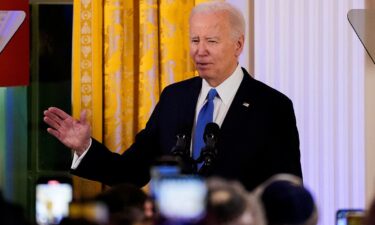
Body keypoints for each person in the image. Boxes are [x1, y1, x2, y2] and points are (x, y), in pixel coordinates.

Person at [43, 1, 302, 191]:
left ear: (238, 44)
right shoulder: (174, 98)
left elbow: (287, 195)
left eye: (211, 41)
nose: (200, 51)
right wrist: (84, 147)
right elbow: (132, 172)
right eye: (194, 40)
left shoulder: (272, 107)